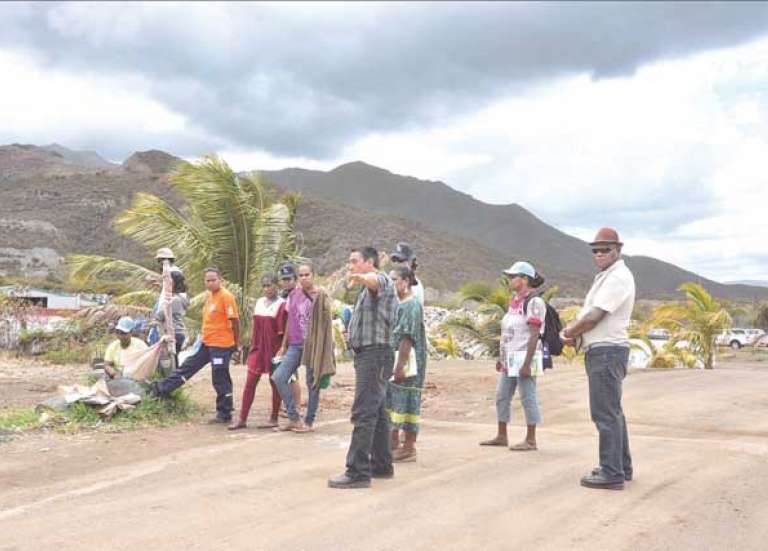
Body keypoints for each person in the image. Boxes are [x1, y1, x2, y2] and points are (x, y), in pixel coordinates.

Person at [560, 227, 635, 491]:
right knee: (612, 412)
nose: (600, 254)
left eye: (606, 249)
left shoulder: (618, 277)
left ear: (618, 250)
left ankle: (611, 472)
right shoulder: (608, 276)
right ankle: (620, 467)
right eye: (596, 250)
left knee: (604, 413)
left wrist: (568, 333)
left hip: (606, 351)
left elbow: (594, 317)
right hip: (604, 350)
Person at [328, 246, 398, 489]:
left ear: (369, 262)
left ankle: (357, 471)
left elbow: (376, 280)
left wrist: (362, 277)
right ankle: (381, 464)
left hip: (375, 354)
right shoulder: (365, 293)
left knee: (363, 412)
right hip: (371, 355)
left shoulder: (382, 281)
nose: (350, 266)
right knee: (378, 413)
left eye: (354, 261)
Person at [151, 267, 240, 423]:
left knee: (220, 377)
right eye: (208, 280)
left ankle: (225, 412)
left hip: (221, 345)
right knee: (188, 366)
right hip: (206, 342)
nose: (211, 283)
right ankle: (161, 389)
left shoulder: (226, 297)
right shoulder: (211, 297)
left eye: (214, 280)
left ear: (220, 279)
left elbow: (235, 321)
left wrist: (235, 344)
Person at [480, 261, 545, 451]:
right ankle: (502, 435)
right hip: (511, 357)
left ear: (524, 279)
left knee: (527, 397)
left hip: (525, 356)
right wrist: (501, 357)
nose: (509, 280)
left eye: (513, 276)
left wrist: (527, 363)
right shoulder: (515, 302)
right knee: (502, 396)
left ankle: (531, 439)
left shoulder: (534, 302)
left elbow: (534, 334)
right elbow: (508, 331)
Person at [229, 275, 287, 430]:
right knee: (250, 382)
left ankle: (274, 417)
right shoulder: (259, 302)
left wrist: (282, 350)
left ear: (277, 286)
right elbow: (256, 328)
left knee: (275, 383)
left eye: (270, 285)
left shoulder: (282, 305)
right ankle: (242, 418)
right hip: (258, 348)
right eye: (265, 286)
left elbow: (283, 331)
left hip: (274, 348)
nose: (267, 289)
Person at [271, 263, 323, 432]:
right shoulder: (293, 295)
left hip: (313, 346)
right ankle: (294, 417)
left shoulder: (320, 295)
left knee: (312, 383)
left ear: (313, 275)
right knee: (279, 376)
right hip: (295, 344)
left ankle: (309, 421)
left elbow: (326, 324)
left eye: (307, 274)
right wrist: (284, 345)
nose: (304, 278)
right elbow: (289, 321)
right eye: (301, 275)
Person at [386, 264, 428, 463]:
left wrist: (400, 366)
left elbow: (407, 338)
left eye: (394, 280)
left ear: (405, 281)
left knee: (408, 400)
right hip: (398, 359)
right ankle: (392, 442)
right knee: (393, 400)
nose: (392, 284)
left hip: (408, 361)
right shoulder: (400, 304)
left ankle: (409, 447)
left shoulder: (411, 305)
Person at [278, 262, 302, 411]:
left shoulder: (299, 294)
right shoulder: (283, 296)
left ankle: (297, 405)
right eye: (284, 279)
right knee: (287, 373)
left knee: (292, 374)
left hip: (296, 340)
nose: (286, 282)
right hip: (286, 339)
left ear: (295, 279)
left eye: (289, 279)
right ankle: (290, 404)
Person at [153, 270, 189, 366]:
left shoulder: (174, 300)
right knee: (174, 360)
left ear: (172, 283)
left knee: (172, 362)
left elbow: (160, 315)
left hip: (174, 333)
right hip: (179, 332)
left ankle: (175, 379)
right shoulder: (181, 298)